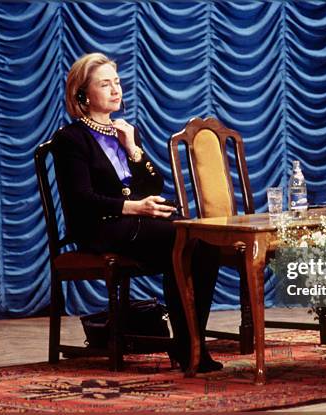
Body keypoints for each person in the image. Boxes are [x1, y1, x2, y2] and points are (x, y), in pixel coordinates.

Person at [51, 52, 222, 372]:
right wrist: (134, 206)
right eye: (105, 84)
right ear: (82, 94)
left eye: (117, 82)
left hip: (135, 223)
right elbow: (81, 199)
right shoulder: (69, 139)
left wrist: (132, 148)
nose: (116, 89)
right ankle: (187, 349)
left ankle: (191, 344)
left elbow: (152, 184)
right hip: (100, 228)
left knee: (203, 243)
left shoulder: (125, 131)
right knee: (180, 240)